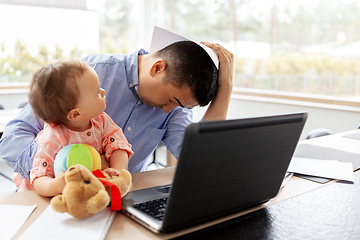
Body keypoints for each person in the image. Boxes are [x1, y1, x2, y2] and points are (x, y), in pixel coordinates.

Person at [0, 40, 233, 182]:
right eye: (171, 99)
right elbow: (12, 138)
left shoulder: (174, 109)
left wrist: (226, 90)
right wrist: (66, 163)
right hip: (55, 194)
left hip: (116, 198)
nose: (169, 110)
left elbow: (199, 161)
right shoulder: (89, 74)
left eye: (179, 105)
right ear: (158, 67)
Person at [14, 59, 133, 197]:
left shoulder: (101, 120)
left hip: (90, 191)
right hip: (53, 201)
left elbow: (118, 145)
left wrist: (117, 170)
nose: (103, 91)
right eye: (96, 92)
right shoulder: (53, 137)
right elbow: (38, 178)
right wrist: (56, 185)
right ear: (76, 114)